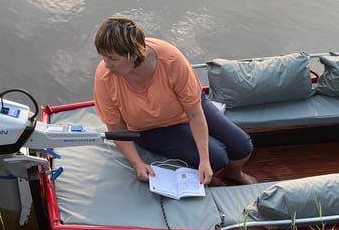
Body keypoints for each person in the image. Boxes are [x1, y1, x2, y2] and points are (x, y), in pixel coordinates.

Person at [93, 15, 256, 186]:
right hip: (149, 128)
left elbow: (194, 112)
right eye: (103, 56)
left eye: (112, 58)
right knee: (217, 158)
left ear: (133, 54)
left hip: (187, 110)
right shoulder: (105, 77)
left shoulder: (170, 60)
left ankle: (234, 174)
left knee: (242, 145)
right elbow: (116, 127)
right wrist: (138, 164)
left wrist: (203, 160)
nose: (106, 64)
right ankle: (211, 178)